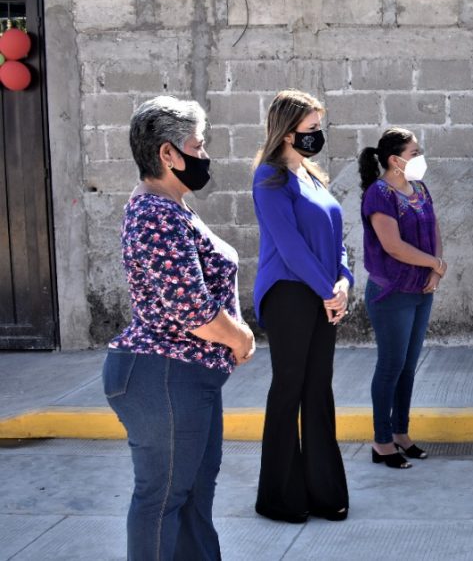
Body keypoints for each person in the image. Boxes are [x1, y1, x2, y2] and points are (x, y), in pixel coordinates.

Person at [104, 95, 255, 560]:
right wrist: (240, 337)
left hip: (185, 376)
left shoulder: (172, 207)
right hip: (164, 375)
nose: (205, 154)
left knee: (192, 499)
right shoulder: (155, 212)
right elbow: (191, 309)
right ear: (168, 153)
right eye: (198, 144)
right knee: (162, 500)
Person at [252, 90, 352, 522]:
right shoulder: (269, 178)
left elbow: (336, 241)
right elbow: (290, 247)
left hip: (321, 292)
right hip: (289, 295)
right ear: (287, 132)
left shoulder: (311, 176)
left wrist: (343, 282)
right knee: (289, 389)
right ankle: (279, 498)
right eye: (311, 128)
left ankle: (323, 493)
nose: (318, 135)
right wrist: (328, 291)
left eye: (318, 127)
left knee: (318, 391)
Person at [357, 127, 445, 469]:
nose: (420, 157)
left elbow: (434, 228)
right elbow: (393, 246)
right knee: (391, 365)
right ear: (395, 160)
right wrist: (434, 263)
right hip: (392, 293)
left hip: (422, 290)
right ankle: (381, 441)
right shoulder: (379, 194)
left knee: (408, 366)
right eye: (414, 152)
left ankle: (401, 434)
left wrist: (436, 269)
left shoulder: (419, 188)